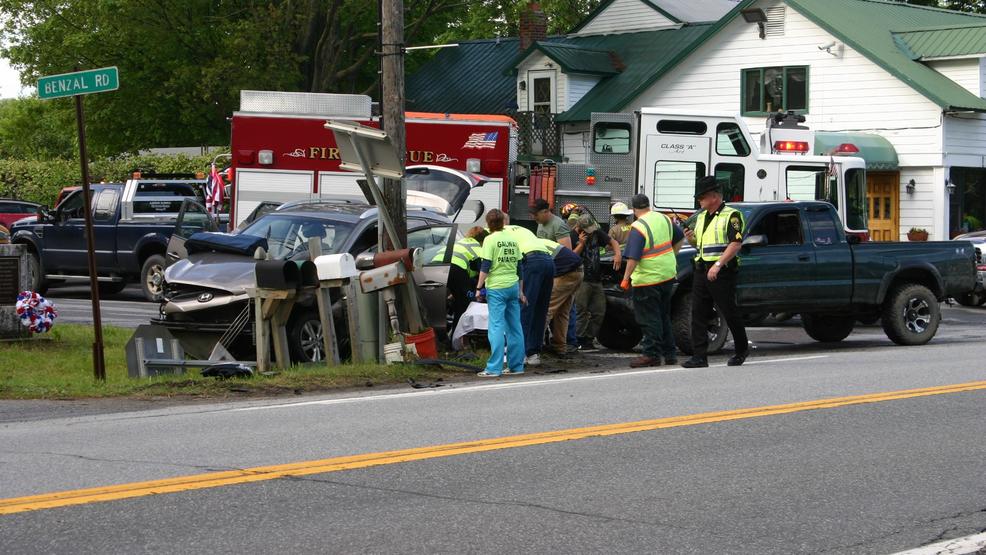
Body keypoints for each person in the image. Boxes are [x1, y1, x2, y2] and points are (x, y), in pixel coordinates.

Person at [682, 176, 749, 368]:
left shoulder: (732, 215)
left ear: (713, 197)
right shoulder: (701, 217)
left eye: (701, 197)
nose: (699, 201)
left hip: (722, 271)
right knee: (698, 313)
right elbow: (701, 245)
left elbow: (735, 244)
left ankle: (741, 350)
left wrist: (718, 265)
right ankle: (699, 356)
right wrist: (691, 239)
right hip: (702, 270)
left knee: (729, 311)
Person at [620, 194, 684, 368]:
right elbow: (680, 237)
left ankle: (651, 354)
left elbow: (633, 257)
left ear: (634, 210)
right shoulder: (664, 218)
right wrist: (671, 255)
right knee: (663, 315)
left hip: (647, 279)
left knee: (649, 318)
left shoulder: (639, 226)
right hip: (667, 275)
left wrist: (625, 279)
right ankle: (670, 354)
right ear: (648, 205)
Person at [475, 209, 526, 377]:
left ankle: (494, 368)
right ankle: (516, 366)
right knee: (515, 327)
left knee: (496, 326)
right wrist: (520, 291)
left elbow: (486, 265)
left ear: (489, 223)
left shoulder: (489, 239)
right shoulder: (512, 239)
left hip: (497, 287)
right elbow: (519, 267)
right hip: (512, 286)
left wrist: (479, 287)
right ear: (503, 222)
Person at [504, 217, 554, 366]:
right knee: (540, 309)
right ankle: (533, 353)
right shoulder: (522, 229)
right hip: (548, 261)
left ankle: (519, 353)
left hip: (531, 261)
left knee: (523, 308)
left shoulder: (495, 233)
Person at [572, 211, 622, 350]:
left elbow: (613, 242)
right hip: (582, 279)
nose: (590, 233)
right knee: (581, 311)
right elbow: (571, 256)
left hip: (596, 278)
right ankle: (577, 339)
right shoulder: (572, 236)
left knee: (599, 311)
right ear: (579, 228)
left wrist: (617, 254)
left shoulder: (596, 233)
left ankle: (589, 339)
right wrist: (581, 244)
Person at [431, 226, 488, 339]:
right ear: (483, 241)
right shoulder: (478, 248)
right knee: (464, 304)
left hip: (434, 266)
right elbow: (483, 274)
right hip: (455, 269)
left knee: (437, 306)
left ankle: (439, 338)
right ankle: (457, 339)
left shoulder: (461, 242)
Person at [539, 237, 583, 357]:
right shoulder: (540, 242)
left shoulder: (528, 248)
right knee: (562, 312)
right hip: (578, 270)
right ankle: (560, 347)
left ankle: (533, 348)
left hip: (566, 272)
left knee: (546, 309)